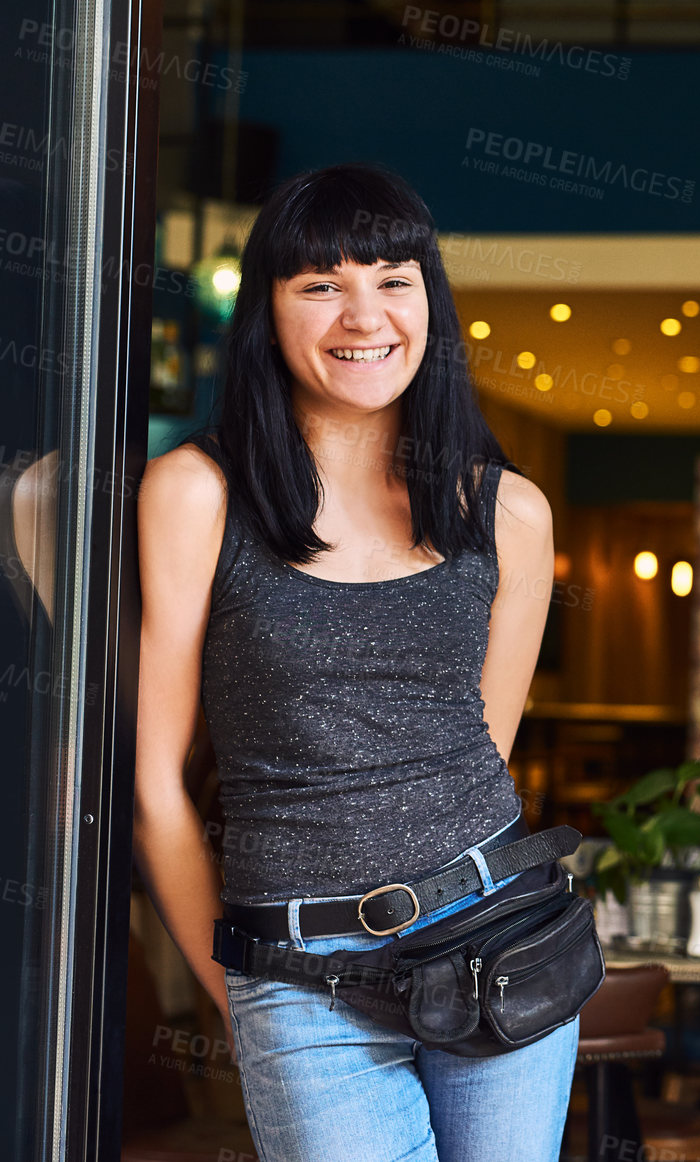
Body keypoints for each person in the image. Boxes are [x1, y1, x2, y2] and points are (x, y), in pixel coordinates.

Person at [132, 162, 572, 1162]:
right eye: (320, 283)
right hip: (296, 968)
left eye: (392, 278)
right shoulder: (198, 493)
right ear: (268, 311)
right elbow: (156, 784)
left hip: (496, 939)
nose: (362, 314)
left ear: (430, 301)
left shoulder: (506, 512)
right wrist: (242, 984)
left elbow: (483, 748)